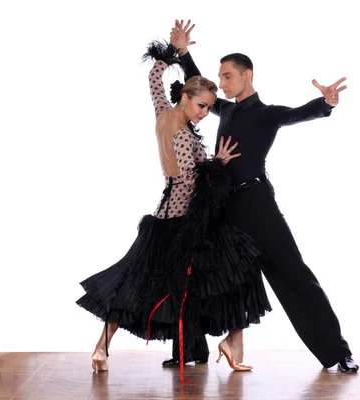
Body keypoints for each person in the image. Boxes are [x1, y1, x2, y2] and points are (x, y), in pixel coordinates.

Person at [167, 19, 359, 373]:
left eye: (227, 76)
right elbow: (200, 85)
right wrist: (183, 53)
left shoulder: (266, 114)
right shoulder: (224, 109)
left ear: (247, 76)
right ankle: (191, 351)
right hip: (224, 208)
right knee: (204, 275)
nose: (221, 83)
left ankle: (337, 351)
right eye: (220, 77)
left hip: (257, 206)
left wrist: (326, 103)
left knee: (294, 276)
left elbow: (298, 113)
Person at [75, 38, 272, 384]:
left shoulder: (163, 113)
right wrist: (217, 165)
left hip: (161, 220)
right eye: (201, 105)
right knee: (230, 270)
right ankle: (226, 344)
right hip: (184, 225)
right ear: (185, 97)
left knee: (139, 285)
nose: (204, 113)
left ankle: (103, 348)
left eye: (210, 108)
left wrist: (167, 56)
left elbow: (154, 80)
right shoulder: (182, 136)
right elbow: (189, 181)